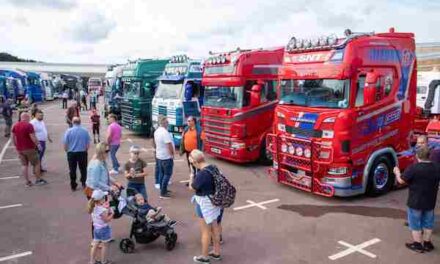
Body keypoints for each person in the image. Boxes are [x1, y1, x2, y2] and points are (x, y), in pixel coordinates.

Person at [393, 146, 440, 253]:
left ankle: (417, 245)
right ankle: (427, 243)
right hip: (430, 201)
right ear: (429, 156)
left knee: (415, 223)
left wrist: (397, 172)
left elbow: (401, 181)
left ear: (417, 156)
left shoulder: (413, 168)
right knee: (428, 223)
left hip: (415, 201)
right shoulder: (437, 167)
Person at [189, 149, 222, 263]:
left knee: (205, 231)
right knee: (215, 227)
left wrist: (192, 175)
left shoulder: (202, 174)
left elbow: (192, 188)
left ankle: (204, 256)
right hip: (215, 201)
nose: (193, 165)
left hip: (204, 203)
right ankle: (216, 252)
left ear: (196, 162)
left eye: (192, 163)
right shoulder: (213, 167)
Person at [12, 112, 47, 187]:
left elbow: (13, 138)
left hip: (20, 149)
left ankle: (27, 182)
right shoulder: (29, 125)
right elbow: (33, 137)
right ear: (26, 117)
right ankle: (38, 180)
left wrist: (16, 146)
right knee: (37, 163)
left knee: (24, 165)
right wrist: (38, 145)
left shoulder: (15, 125)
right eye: (28, 117)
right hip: (29, 148)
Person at [63, 117, 90, 191]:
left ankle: (73, 184)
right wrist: (85, 150)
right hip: (82, 152)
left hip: (71, 153)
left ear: (72, 122)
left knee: (72, 169)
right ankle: (84, 182)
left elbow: (65, 143)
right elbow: (88, 143)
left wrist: (67, 151)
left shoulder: (68, 131)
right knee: (83, 168)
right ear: (80, 122)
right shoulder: (85, 131)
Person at [87, 189, 114, 264]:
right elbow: (106, 219)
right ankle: (104, 261)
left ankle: (92, 261)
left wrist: (106, 208)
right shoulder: (101, 210)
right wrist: (112, 214)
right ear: (101, 199)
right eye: (104, 197)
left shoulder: (93, 207)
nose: (105, 199)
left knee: (95, 244)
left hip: (96, 229)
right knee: (105, 245)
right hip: (104, 229)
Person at [154, 115, 175, 199]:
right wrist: (172, 154)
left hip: (159, 156)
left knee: (162, 173)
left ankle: (163, 189)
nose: (168, 123)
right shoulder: (165, 132)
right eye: (167, 122)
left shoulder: (157, 131)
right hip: (166, 156)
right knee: (167, 174)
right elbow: (168, 144)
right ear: (164, 122)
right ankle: (163, 193)